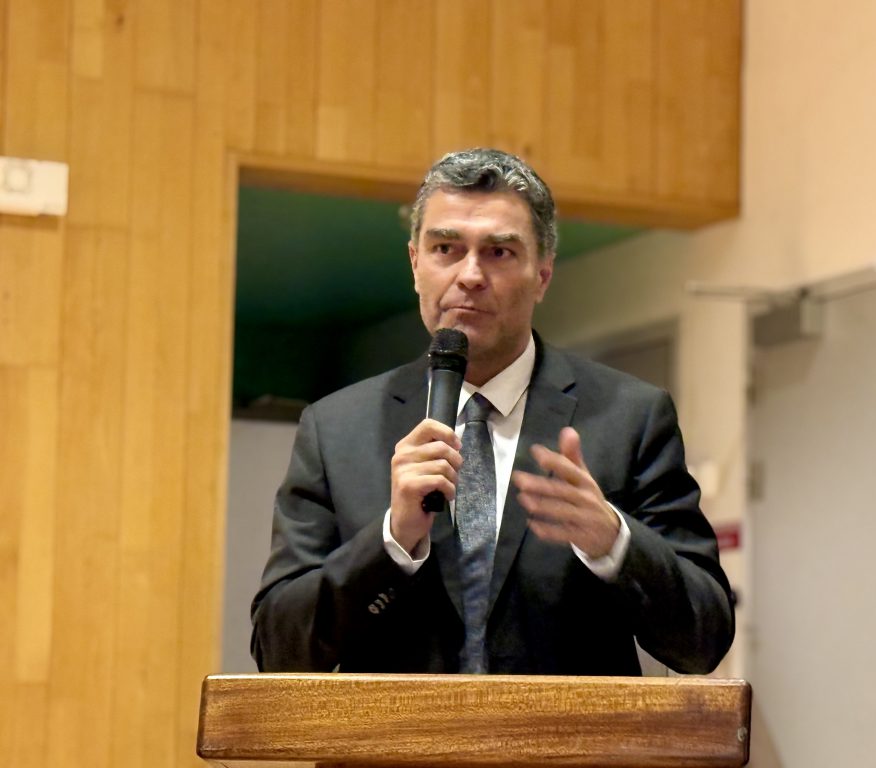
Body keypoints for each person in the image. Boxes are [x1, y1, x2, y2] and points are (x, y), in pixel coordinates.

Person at [251, 148, 734, 675]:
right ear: (415, 264)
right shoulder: (335, 428)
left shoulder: (630, 418)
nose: (470, 274)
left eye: (499, 252)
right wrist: (391, 540)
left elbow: (704, 640)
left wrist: (614, 541)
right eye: (445, 248)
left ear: (543, 274)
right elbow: (278, 649)